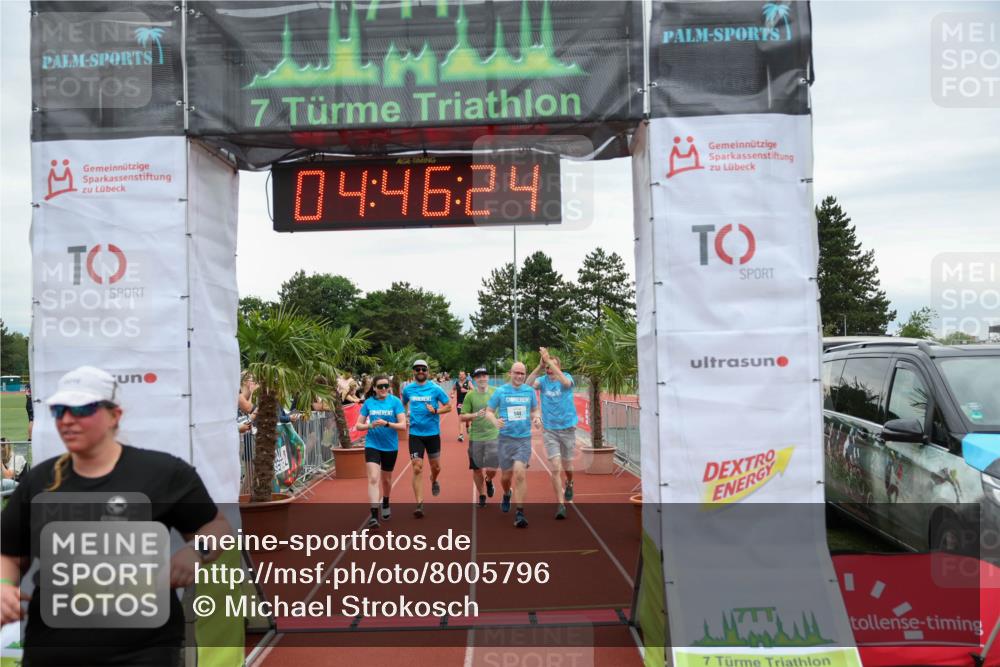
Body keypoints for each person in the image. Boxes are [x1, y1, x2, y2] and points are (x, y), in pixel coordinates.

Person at [0, 365, 232, 666]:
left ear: (115, 415)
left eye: (82, 409)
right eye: (59, 410)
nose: (67, 420)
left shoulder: (164, 473)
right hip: (52, 648)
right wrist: (4, 586)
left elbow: (217, 527)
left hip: (144, 650)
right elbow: (10, 554)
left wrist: (195, 552)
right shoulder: (38, 481)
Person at [486, 361, 541, 528]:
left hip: (523, 439)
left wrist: (537, 418)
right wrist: (495, 421)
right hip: (505, 440)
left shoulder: (529, 391)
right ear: (510, 373)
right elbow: (489, 411)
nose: (519, 376)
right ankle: (506, 493)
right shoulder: (501, 391)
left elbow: (534, 410)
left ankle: (520, 513)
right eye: (516, 372)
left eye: (522, 373)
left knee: (520, 474)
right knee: (505, 478)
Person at [526, 348, 579, 520]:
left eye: (552, 366)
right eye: (547, 367)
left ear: (559, 367)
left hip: (567, 428)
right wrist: (539, 366)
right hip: (550, 430)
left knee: (567, 466)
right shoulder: (542, 381)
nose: (549, 370)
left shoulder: (566, 377)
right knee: (556, 467)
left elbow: (566, 383)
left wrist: (549, 360)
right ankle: (561, 504)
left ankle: (569, 482)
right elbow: (527, 384)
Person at [355, 374, 407, 529]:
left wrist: (386, 423)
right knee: (373, 478)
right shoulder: (369, 403)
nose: (384, 389)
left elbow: (403, 425)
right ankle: (374, 515)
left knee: (386, 480)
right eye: (380, 386)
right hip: (372, 444)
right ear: (374, 388)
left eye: (386, 386)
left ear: (389, 387)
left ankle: (386, 500)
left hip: (390, 446)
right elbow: (359, 425)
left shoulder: (395, 401)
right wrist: (370, 426)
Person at [401, 359, 451, 517]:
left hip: (432, 434)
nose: (420, 371)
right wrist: (405, 416)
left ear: (427, 371)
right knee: (417, 467)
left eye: (423, 369)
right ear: (413, 372)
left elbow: (449, 406)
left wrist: (436, 411)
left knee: (436, 467)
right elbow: (403, 404)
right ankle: (419, 504)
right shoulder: (408, 389)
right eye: (417, 369)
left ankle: (433, 479)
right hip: (415, 434)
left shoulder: (435, 389)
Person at [460, 368, 499, 508]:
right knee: (477, 469)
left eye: (484, 376)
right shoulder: (470, 395)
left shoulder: (496, 392)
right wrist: (475, 415)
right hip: (476, 437)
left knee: (492, 468)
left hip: (494, 436)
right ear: (475, 379)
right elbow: (462, 416)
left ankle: (488, 479)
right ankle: (482, 495)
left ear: (488, 377)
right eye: (478, 376)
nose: (482, 378)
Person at [453, 370, 474, 442]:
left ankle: (467, 425)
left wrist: (466, 391)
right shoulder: (456, 383)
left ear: (465, 376)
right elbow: (453, 390)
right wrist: (452, 394)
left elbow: (474, 391)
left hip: (468, 403)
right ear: (458, 376)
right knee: (460, 418)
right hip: (459, 403)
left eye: (462, 375)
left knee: (468, 418)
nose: (461, 376)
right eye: (460, 375)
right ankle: (461, 435)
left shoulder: (468, 382)